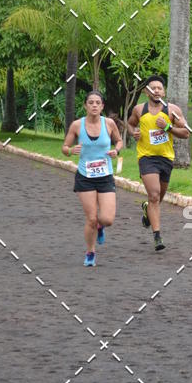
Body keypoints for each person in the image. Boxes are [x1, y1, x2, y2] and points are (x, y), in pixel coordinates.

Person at [127, 75, 190, 251]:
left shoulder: (172, 110)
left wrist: (168, 127)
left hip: (166, 158)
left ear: (164, 91)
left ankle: (147, 209)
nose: (156, 91)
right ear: (146, 91)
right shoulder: (139, 109)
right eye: (152, 88)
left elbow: (186, 133)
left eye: (159, 88)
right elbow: (130, 124)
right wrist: (134, 133)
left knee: (158, 198)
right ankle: (157, 237)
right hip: (146, 157)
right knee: (154, 195)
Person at [62, 91, 123, 267]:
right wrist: (70, 151)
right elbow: (65, 147)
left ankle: (100, 227)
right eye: (91, 102)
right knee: (91, 218)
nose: (94, 105)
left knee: (107, 219)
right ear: (85, 106)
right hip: (85, 177)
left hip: (105, 176)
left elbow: (119, 141)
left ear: (102, 106)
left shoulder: (109, 123)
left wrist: (116, 151)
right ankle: (90, 252)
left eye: (98, 102)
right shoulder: (77, 125)